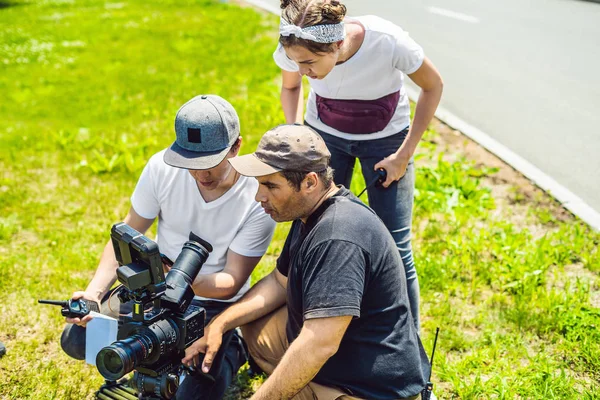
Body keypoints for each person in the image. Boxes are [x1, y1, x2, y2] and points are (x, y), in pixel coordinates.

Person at [182, 124, 431, 400]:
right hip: (333, 358)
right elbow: (279, 283)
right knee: (253, 326)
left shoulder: (338, 237)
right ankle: (294, 378)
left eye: (270, 186)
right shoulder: (308, 213)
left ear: (310, 182)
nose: (258, 196)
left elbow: (318, 344)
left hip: (366, 389)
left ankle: (301, 384)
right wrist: (220, 323)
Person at [60, 94, 276, 399]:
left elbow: (232, 281)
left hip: (213, 304)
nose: (202, 174)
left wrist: (173, 280)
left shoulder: (258, 194)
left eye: (211, 163)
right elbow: (127, 231)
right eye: (191, 163)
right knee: (78, 338)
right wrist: (94, 293)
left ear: (237, 146)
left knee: (191, 394)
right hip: (155, 294)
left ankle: (235, 343)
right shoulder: (162, 168)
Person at [274, 0, 444, 330]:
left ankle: (408, 338)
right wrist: (296, 130)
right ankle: (302, 322)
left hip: (386, 142)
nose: (302, 70)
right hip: (326, 135)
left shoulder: (387, 41)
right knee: (311, 228)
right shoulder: (295, 45)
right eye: (297, 62)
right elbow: (291, 86)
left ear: (337, 44)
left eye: (309, 62)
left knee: (395, 243)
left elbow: (433, 85)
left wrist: (403, 156)